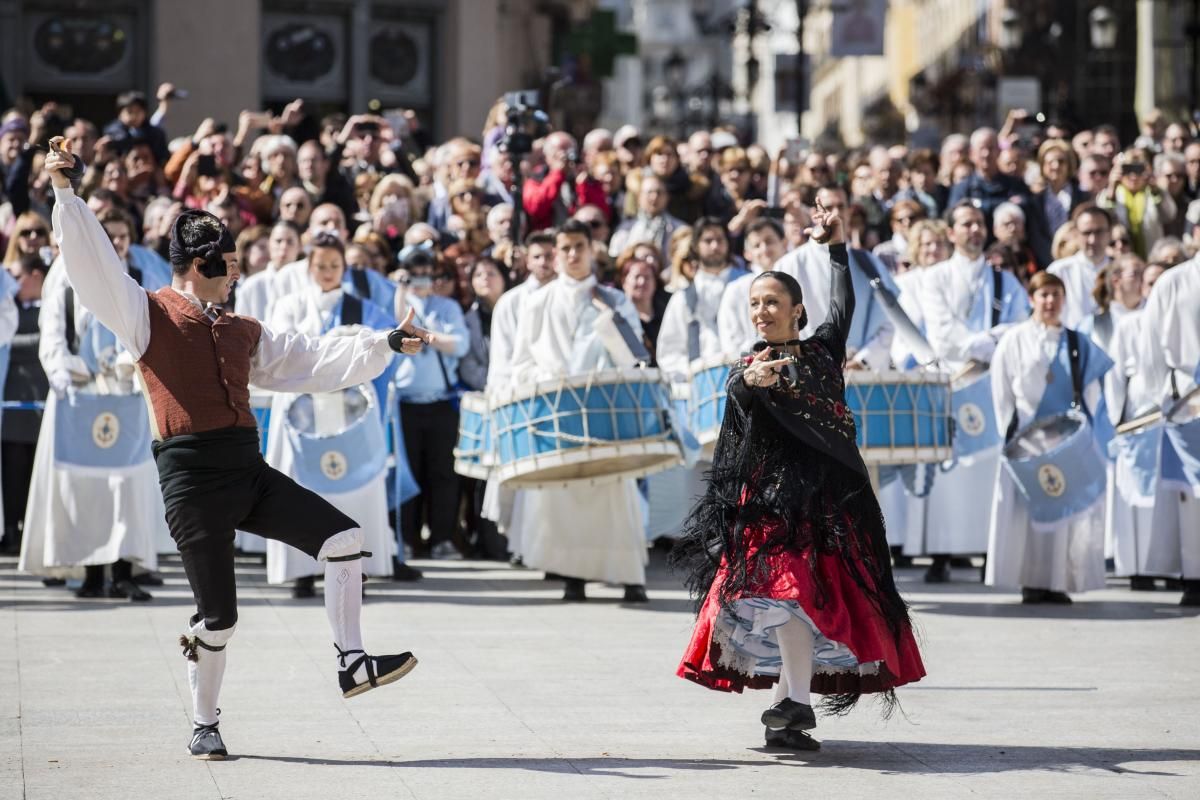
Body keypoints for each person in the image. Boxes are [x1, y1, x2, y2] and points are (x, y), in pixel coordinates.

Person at [43, 148, 426, 759]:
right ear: (198, 265)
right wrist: (66, 194)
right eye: (227, 266)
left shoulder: (242, 328)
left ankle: (352, 662)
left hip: (246, 469)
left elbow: (311, 358)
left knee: (345, 540)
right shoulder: (145, 314)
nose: (236, 277)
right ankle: (204, 720)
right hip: (190, 481)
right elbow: (95, 269)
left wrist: (383, 341)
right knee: (219, 620)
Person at [672, 203, 924, 753]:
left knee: (813, 599)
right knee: (786, 593)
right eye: (754, 303)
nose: (761, 312)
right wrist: (750, 382)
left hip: (831, 504)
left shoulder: (825, 353)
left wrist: (837, 247)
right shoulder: (749, 367)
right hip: (772, 506)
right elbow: (736, 399)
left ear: (796, 310)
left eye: (771, 303)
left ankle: (790, 702)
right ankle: (796, 703)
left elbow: (846, 301)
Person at [20, 206, 166, 600]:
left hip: (120, 391)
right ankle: (88, 571)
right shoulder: (62, 278)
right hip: (78, 395)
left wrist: (125, 365)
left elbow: (142, 327)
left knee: (124, 485)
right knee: (81, 486)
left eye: (119, 238)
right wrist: (63, 371)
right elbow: (51, 333)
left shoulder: (129, 278)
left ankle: (122, 570)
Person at [505, 220, 650, 602]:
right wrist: (541, 379)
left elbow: (634, 357)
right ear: (555, 253)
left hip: (604, 407)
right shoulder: (537, 301)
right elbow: (520, 359)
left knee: (616, 495)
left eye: (579, 247)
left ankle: (630, 577)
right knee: (564, 498)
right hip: (559, 408)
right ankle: (574, 576)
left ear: (591, 249)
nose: (572, 255)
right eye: (564, 247)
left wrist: (608, 322)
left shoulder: (613, 299)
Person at [264, 233, 400, 597]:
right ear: (309, 266)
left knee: (353, 484)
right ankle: (304, 569)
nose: (327, 272)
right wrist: (341, 343)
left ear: (345, 268)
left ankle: (356, 567)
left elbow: (379, 342)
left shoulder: (362, 308)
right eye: (321, 265)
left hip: (349, 406)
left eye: (334, 266)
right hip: (301, 408)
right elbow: (284, 346)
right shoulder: (289, 305)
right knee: (300, 487)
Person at [914, 201, 1032, 581]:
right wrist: (984, 343)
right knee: (949, 472)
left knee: (986, 471)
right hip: (951, 382)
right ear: (951, 232)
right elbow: (942, 333)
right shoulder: (934, 278)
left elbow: (1017, 328)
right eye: (966, 224)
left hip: (991, 384)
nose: (974, 230)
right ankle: (942, 554)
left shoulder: (1004, 281)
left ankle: (987, 551)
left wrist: (987, 344)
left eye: (979, 223)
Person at [985, 272, 1113, 603]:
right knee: (1029, 513)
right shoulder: (1015, 340)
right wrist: (1011, 433)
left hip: (1063, 440)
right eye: (1043, 294)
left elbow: (1092, 391)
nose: (1050, 301)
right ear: (1032, 298)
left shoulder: (1075, 342)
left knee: (1062, 510)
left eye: (1056, 294)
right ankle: (1031, 580)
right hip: (1027, 438)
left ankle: (1058, 582)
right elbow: (1001, 392)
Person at [392, 246, 470, 560]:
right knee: (406, 474)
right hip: (405, 403)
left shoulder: (447, 307)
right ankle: (406, 539)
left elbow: (460, 345)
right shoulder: (397, 300)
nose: (422, 280)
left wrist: (426, 335)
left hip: (440, 402)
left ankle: (442, 539)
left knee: (443, 474)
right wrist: (399, 290)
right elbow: (395, 329)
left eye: (428, 273)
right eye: (415, 273)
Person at [1139, 253, 1200, 606]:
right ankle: (1194, 576)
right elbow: (1150, 348)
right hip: (1187, 400)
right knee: (1190, 494)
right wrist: (1161, 392)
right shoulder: (1174, 281)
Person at [656, 219, 748, 382]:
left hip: (747, 378)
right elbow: (669, 351)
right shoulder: (682, 298)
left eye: (720, 240)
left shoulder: (748, 284)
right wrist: (693, 372)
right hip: (703, 387)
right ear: (696, 246)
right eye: (708, 240)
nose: (715, 246)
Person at [1, 253, 45, 554]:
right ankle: (12, 535)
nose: (14, 284)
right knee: (12, 477)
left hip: (40, 407)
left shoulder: (50, 307)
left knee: (35, 478)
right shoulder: (9, 307)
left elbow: (46, 344)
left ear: (36, 275)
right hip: (12, 411)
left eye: (19, 276)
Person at [1046, 205, 1113, 328]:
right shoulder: (1059, 271)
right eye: (1087, 233)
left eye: (1099, 232)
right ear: (1076, 234)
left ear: (1110, 233)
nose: (1093, 240)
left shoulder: (1122, 270)